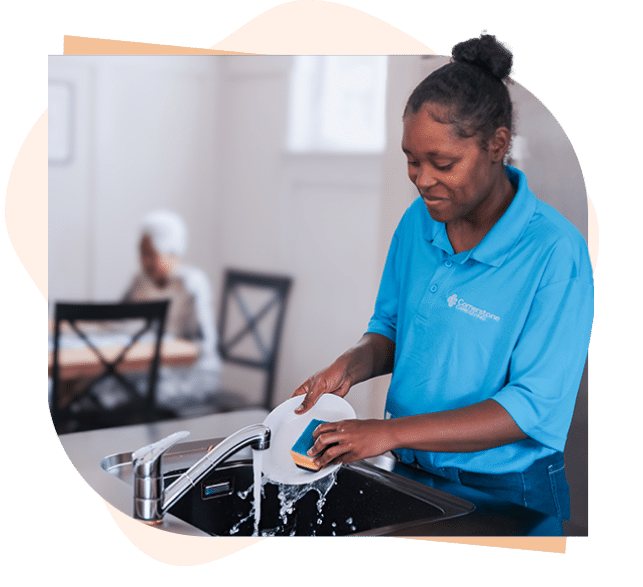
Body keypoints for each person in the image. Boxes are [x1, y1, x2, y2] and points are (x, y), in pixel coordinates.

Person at [292, 33, 594, 528]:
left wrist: (389, 433)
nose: (422, 178)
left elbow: (529, 408)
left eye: (443, 163)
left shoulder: (554, 254)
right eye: (412, 159)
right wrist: (350, 366)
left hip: (507, 491)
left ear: (497, 145)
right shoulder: (419, 223)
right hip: (411, 472)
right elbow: (391, 326)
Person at [123, 210, 221, 406]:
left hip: (190, 374)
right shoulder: (140, 282)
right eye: (142, 254)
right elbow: (117, 319)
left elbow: (204, 345)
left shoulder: (191, 283)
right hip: (148, 369)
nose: (144, 262)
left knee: (123, 397)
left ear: (172, 252)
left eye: (151, 254)